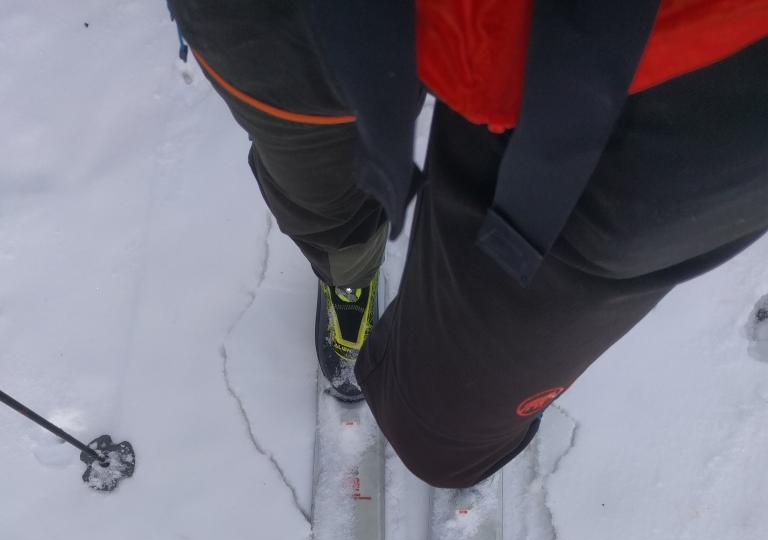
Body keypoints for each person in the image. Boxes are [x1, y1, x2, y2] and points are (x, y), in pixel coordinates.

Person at [167, 0, 768, 488]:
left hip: (664, 75)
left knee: (444, 430)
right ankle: (347, 269)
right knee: (320, 173)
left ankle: (436, 373)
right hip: (301, 23)